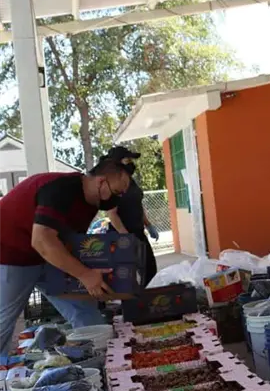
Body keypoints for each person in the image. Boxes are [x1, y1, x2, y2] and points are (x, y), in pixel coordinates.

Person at [0, 156, 131, 353]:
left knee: (86, 312)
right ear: (101, 181)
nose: (117, 199)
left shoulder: (90, 203)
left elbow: (72, 244)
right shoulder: (61, 189)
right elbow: (41, 240)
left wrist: (97, 275)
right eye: (117, 193)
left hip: (50, 255)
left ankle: (101, 360)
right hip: (11, 253)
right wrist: (85, 275)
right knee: (4, 321)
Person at [103, 146, 160, 287]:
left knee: (149, 269)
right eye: (127, 160)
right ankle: (127, 306)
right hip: (121, 235)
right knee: (126, 275)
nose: (130, 163)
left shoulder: (130, 180)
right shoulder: (111, 183)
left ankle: (145, 301)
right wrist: (126, 238)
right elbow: (112, 214)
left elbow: (138, 204)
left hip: (138, 232)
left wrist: (148, 224)